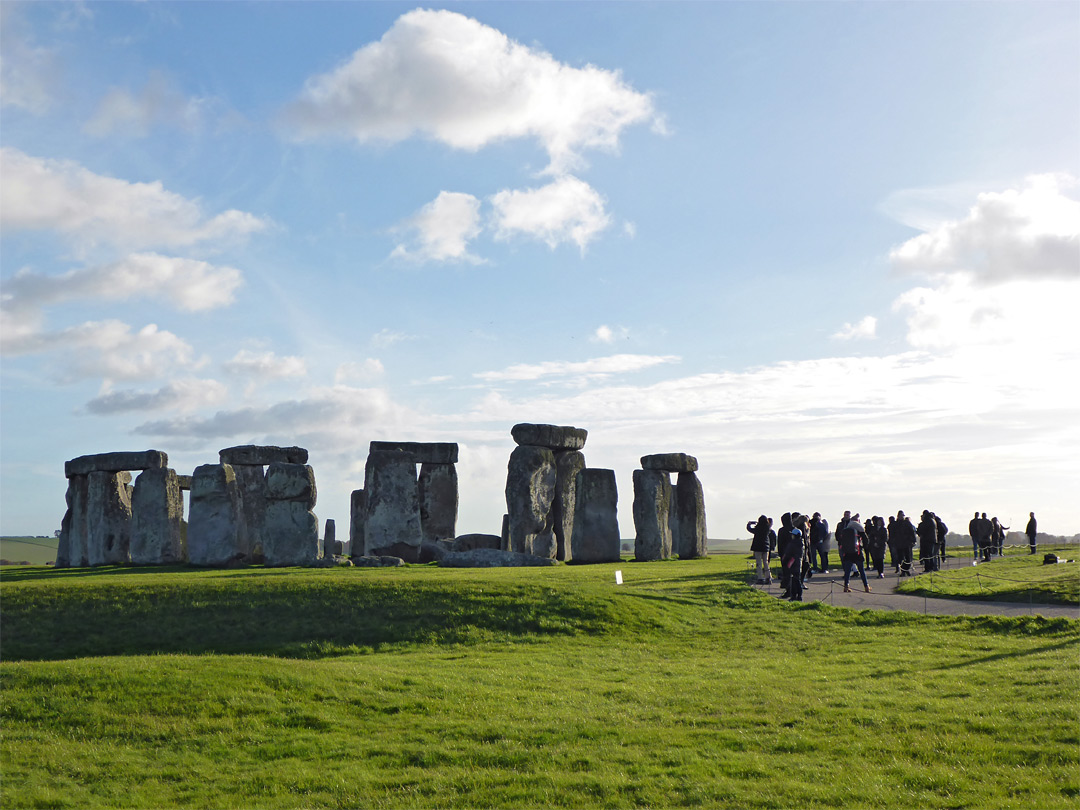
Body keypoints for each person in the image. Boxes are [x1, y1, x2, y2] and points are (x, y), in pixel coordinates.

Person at [838, 512, 871, 593]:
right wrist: (863, 547)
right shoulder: (860, 529)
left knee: (847, 571)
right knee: (861, 570)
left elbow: (840, 540)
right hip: (857, 552)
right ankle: (866, 586)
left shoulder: (846, 529)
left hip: (848, 553)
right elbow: (866, 540)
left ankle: (846, 586)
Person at [747, 515, 773, 584]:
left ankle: (760, 578)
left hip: (758, 547)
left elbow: (749, 529)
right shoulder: (767, 528)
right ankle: (768, 577)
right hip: (765, 547)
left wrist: (749, 524)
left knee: (759, 563)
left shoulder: (757, 528)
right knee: (766, 562)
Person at [777, 513, 795, 598]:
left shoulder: (782, 530)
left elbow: (780, 544)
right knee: (794, 573)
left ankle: (789, 591)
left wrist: (781, 554)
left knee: (787, 573)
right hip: (794, 555)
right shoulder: (794, 529)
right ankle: (793, 591)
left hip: (785, 555)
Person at [896, 510, 917, 576]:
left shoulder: (907, 523)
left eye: (902, 515)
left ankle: (906, 569)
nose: (901, 517)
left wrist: (913, 540)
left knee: (908, 558)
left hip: (907, 543)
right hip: (899, 543)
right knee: (901, 558)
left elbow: (912, 531)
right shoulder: (896, 524)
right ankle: (903, 571)